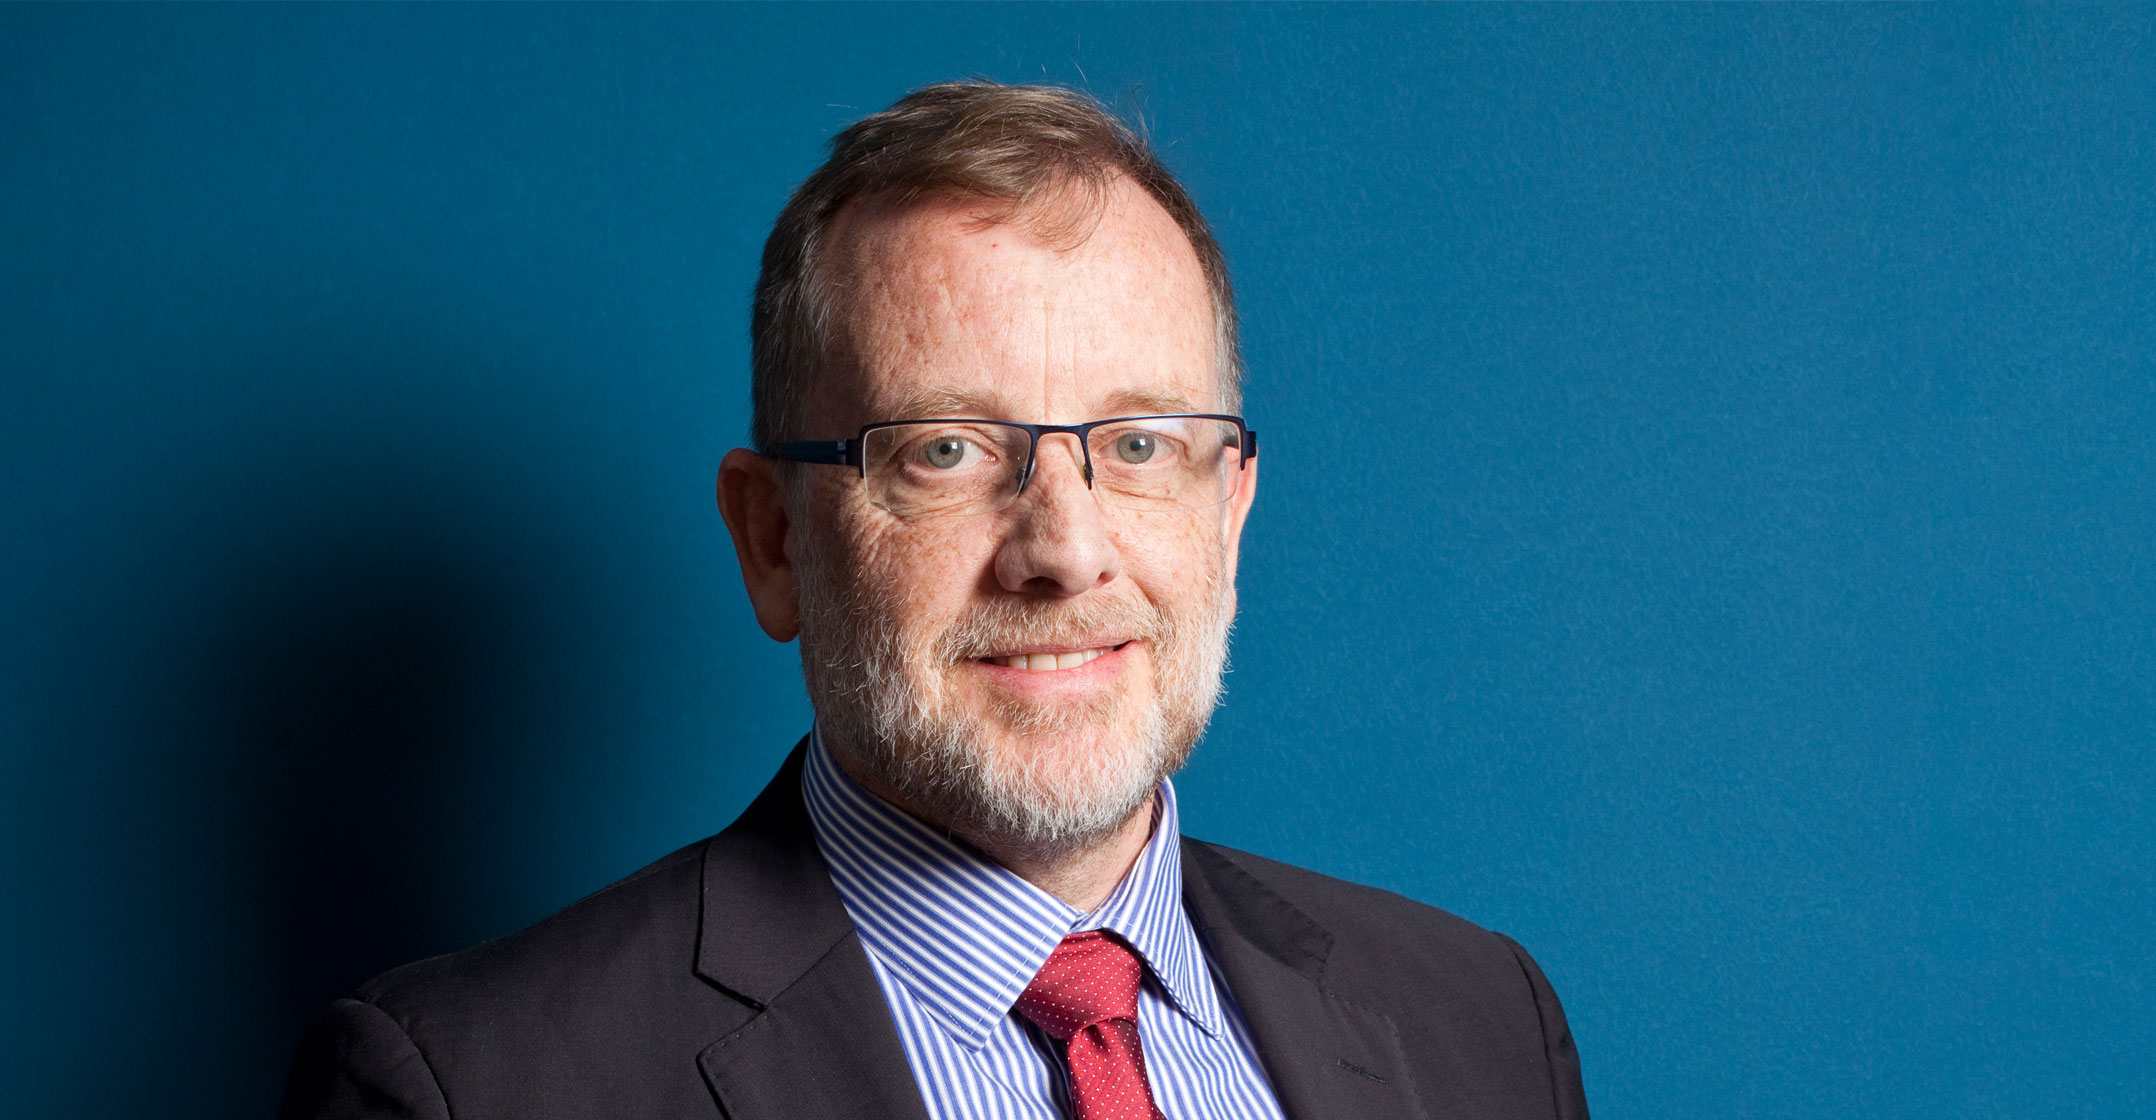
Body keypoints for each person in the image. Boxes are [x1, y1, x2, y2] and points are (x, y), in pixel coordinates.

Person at [284, 80, 1589, 1120]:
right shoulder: (476, 1084)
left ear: (1231, 513)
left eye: (1141, 444)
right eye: (946, 450)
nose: (1064, 552)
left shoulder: (1479, 1024)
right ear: (773, 540)